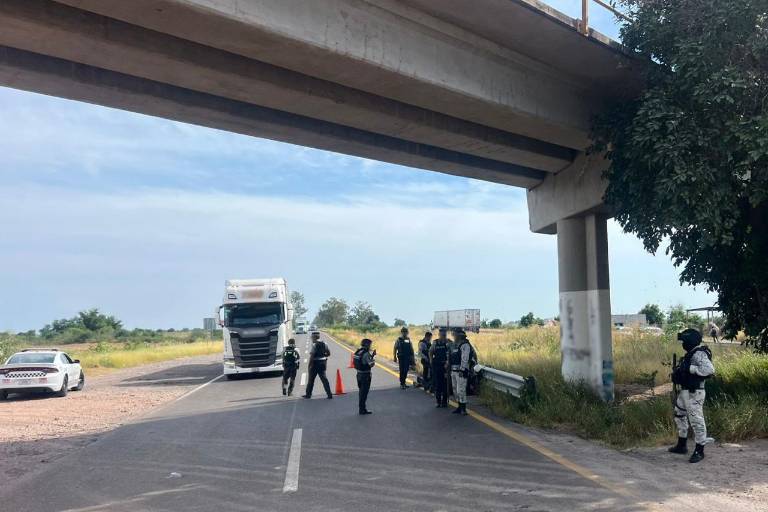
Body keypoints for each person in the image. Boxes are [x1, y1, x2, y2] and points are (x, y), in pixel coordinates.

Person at [669, 328, 715, 463]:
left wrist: (690, 369)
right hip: (686, 392)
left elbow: (709, 370)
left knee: (696, 421)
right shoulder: (691, 354)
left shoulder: (699, 353)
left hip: (695, 393)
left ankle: (699, 450)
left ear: (690, 341)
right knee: (679, 415)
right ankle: (682, 444)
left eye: (685, 341)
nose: (683, 343)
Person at [303, 332, 333, 399]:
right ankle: (329, 394)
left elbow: (312, 356)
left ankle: (308, 395)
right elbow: (328, 354)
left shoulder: (314, 345)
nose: (311, 339)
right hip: (323, 363)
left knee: (311, 380)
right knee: (324, 379)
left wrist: (309, 365)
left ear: (314, 337)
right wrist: (323, 355)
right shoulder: (325, 344)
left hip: (315, 364)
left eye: (312, 337)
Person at [449, 329, 472, 415]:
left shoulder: (465, 345)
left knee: (461, 390)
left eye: (455, 335)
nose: (453, 336)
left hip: (461, 371)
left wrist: (462, 370)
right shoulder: (455, 345)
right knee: (455, 390)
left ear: (459, 336)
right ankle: (459, 407)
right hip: (454, 370)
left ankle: (463, 408)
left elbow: (464, 359)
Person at [353, 338, 376, 415]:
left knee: (361, 392)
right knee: (364, 393)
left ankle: (362, 408)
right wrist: (373, 360)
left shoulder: (358, 351)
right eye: (370, 344)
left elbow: (363, 361)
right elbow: (371, 364)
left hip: (359, 374)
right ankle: (362, 409)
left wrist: (372, 356)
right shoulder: (366, 353)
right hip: (365, 375)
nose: (370, 346)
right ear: (367, 344)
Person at [429, 328, 450, 408]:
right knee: (438, 384)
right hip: (437, 366)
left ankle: (444, 402)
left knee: (445, 385)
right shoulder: (435, 343)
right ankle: (438, 401)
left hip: (446, 367)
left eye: (444, 335)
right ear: (439, 335)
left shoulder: (449, 342)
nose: (443, 336)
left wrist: (448, 363)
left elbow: (451, 354)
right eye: (442, 335)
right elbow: (430, 352)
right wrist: (431, 361)